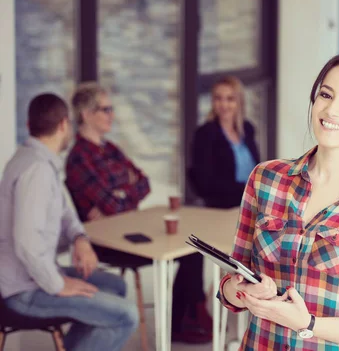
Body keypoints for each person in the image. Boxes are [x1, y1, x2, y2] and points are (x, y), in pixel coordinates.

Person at [217, 54, 339, 350]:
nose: (331, 109)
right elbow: (231, 286)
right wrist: (239, 289)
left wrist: (307, 324)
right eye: (325, 94)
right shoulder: (266, 179)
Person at [64, 82, 212, 344]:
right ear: (86, 114)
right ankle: (185, 321)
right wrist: (122, 191)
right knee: (181, 249)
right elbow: (113, 204)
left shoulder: (110, 149)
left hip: (129, 228)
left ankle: (181, 322)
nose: (112, 115)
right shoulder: (78, 157)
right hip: (106, 242)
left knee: (191, 250)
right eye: (105, 109)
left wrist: (120, 195)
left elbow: (143, 183)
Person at [0, 93, 139, 351]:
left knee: (115, 286)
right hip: (23, 290)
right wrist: (58, 284)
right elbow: (26, 244)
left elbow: (67, 211)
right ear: (64, 125)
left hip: (33, 277)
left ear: (30, 126)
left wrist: (80, 238)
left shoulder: (40, 162)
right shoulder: (37, 171)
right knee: (126, 316)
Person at [191, 76, 260, 209]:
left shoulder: (247, 129)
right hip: (222, 209)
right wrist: (246, 191)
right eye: (218, 98)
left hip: (252, 205)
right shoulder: (205, 134)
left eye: (230, 99)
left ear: (239, 102)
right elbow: (204, 183)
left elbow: (256, 168)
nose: (223, 105)